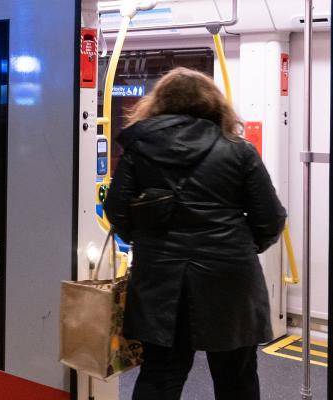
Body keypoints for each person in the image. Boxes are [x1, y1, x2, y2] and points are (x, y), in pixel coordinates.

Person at [103, 67, 286, 400]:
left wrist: (147, 241)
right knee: (236, 378)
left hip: (161, 279)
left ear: (159, 102)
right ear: (213, 103)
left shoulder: (138, 148)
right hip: (230, 278)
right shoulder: (239, 150)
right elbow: (270, 218)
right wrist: (241, 246)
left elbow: (116, 210)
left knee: (160, 376)